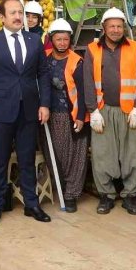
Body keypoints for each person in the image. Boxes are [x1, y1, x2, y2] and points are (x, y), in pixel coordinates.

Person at [0, 0, 51, 227]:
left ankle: (32, 204)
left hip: (29, 110)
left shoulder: (34, 41)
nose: (18, 17)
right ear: (2, 17)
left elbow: (43, 74)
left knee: (27, 159)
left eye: (20, 12)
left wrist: (44, 104)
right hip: (0, 112)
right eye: (13, 13)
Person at [84, 7, 136, 215]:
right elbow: (88, 82)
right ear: (104, 28)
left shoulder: (135, 48)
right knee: (102, 155)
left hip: (129, 111)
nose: (116, 30)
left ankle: (130, 196)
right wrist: (92, 111)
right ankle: (107, 196)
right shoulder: (92, 50)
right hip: (103, 110)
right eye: (112, 26)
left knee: (133, 154)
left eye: (119, 26)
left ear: (124, 28)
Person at [42, 18, 88, 213]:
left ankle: (71, 195)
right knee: (57, 155)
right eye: (58, 39)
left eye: (65, 39)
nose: (62, 43)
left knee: (74, 156)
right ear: (52, 39)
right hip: (49, 115)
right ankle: (61, 188)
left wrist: (80, 116)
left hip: (71, 115)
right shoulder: (44, 58)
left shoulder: (77, 61)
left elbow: (85, 91)